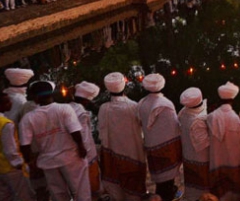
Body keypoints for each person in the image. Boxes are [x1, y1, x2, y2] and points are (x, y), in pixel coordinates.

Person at [19, 81, 91, 201]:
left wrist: (29, 162)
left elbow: (25, 145)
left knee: (58, 193)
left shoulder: (28, 119)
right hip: (71, 157)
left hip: (48, 161)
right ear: (52, 94)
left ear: (36, 99)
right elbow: (75, 131)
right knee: (80, 190)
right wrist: (81, 147)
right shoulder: (64, 109)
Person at [98, 72, 147, 201]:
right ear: (124, 86)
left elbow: (102, 133)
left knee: (116, 192)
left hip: (112, 156)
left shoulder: (104, 109)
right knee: (134, 193)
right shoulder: (134, 106)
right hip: (134, 155)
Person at [137, 73, 182, 201]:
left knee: (161, 184)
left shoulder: (142, 103)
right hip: (168, 152)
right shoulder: (166, 104)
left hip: (152, 149)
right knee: (167, 185)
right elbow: (175, 128)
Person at [208, 81, 240, 197]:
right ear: (232, 100)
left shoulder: (212, 117)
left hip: (216, 162)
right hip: (232, 162)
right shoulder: (234, 118)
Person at [70, 81, 102, 199]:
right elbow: (84, 138)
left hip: (71, 156)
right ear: (85, 101)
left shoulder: (68, 107)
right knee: (91, 187)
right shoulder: (81, 113)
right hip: (86, 156)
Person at [179, 87, 211, 201]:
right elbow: (203, 145)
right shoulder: (198, 120)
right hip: (200, 158)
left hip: (188, 154)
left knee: (191, 185)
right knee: (202, 189)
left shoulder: (183, 112)